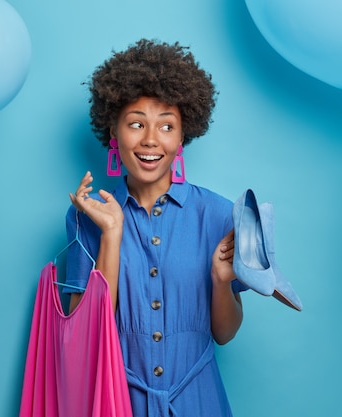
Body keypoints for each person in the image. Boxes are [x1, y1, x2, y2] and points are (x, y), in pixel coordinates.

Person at [64, 38, 247, 417]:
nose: (150, 140)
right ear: (113, 132)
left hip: (200, 401)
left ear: (182, 137)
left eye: (167, 125)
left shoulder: (218, 215)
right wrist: (111, 235)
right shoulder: (88, 217)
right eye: (136, 124)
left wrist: (220, 280)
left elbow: (225, 334)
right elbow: (83, 339)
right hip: (117, 400)